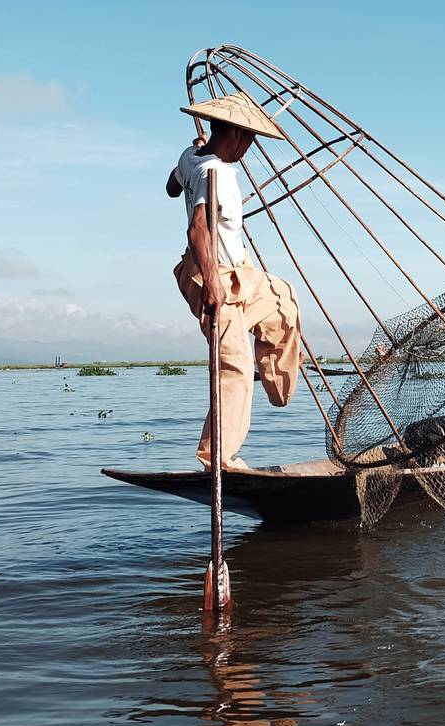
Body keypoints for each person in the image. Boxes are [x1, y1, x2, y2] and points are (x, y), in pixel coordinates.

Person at [168, 92, 304, 469]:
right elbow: (197, 230)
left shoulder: (191, 158)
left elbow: (171, 187)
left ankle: (277, 384)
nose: (248, 148)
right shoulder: (219, 173)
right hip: (211, 271)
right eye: (249, 140)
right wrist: (213, 285)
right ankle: (218, 458)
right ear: (238, 136)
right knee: (234, 368)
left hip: (236, 271)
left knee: (282, 297)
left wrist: (195, 155)